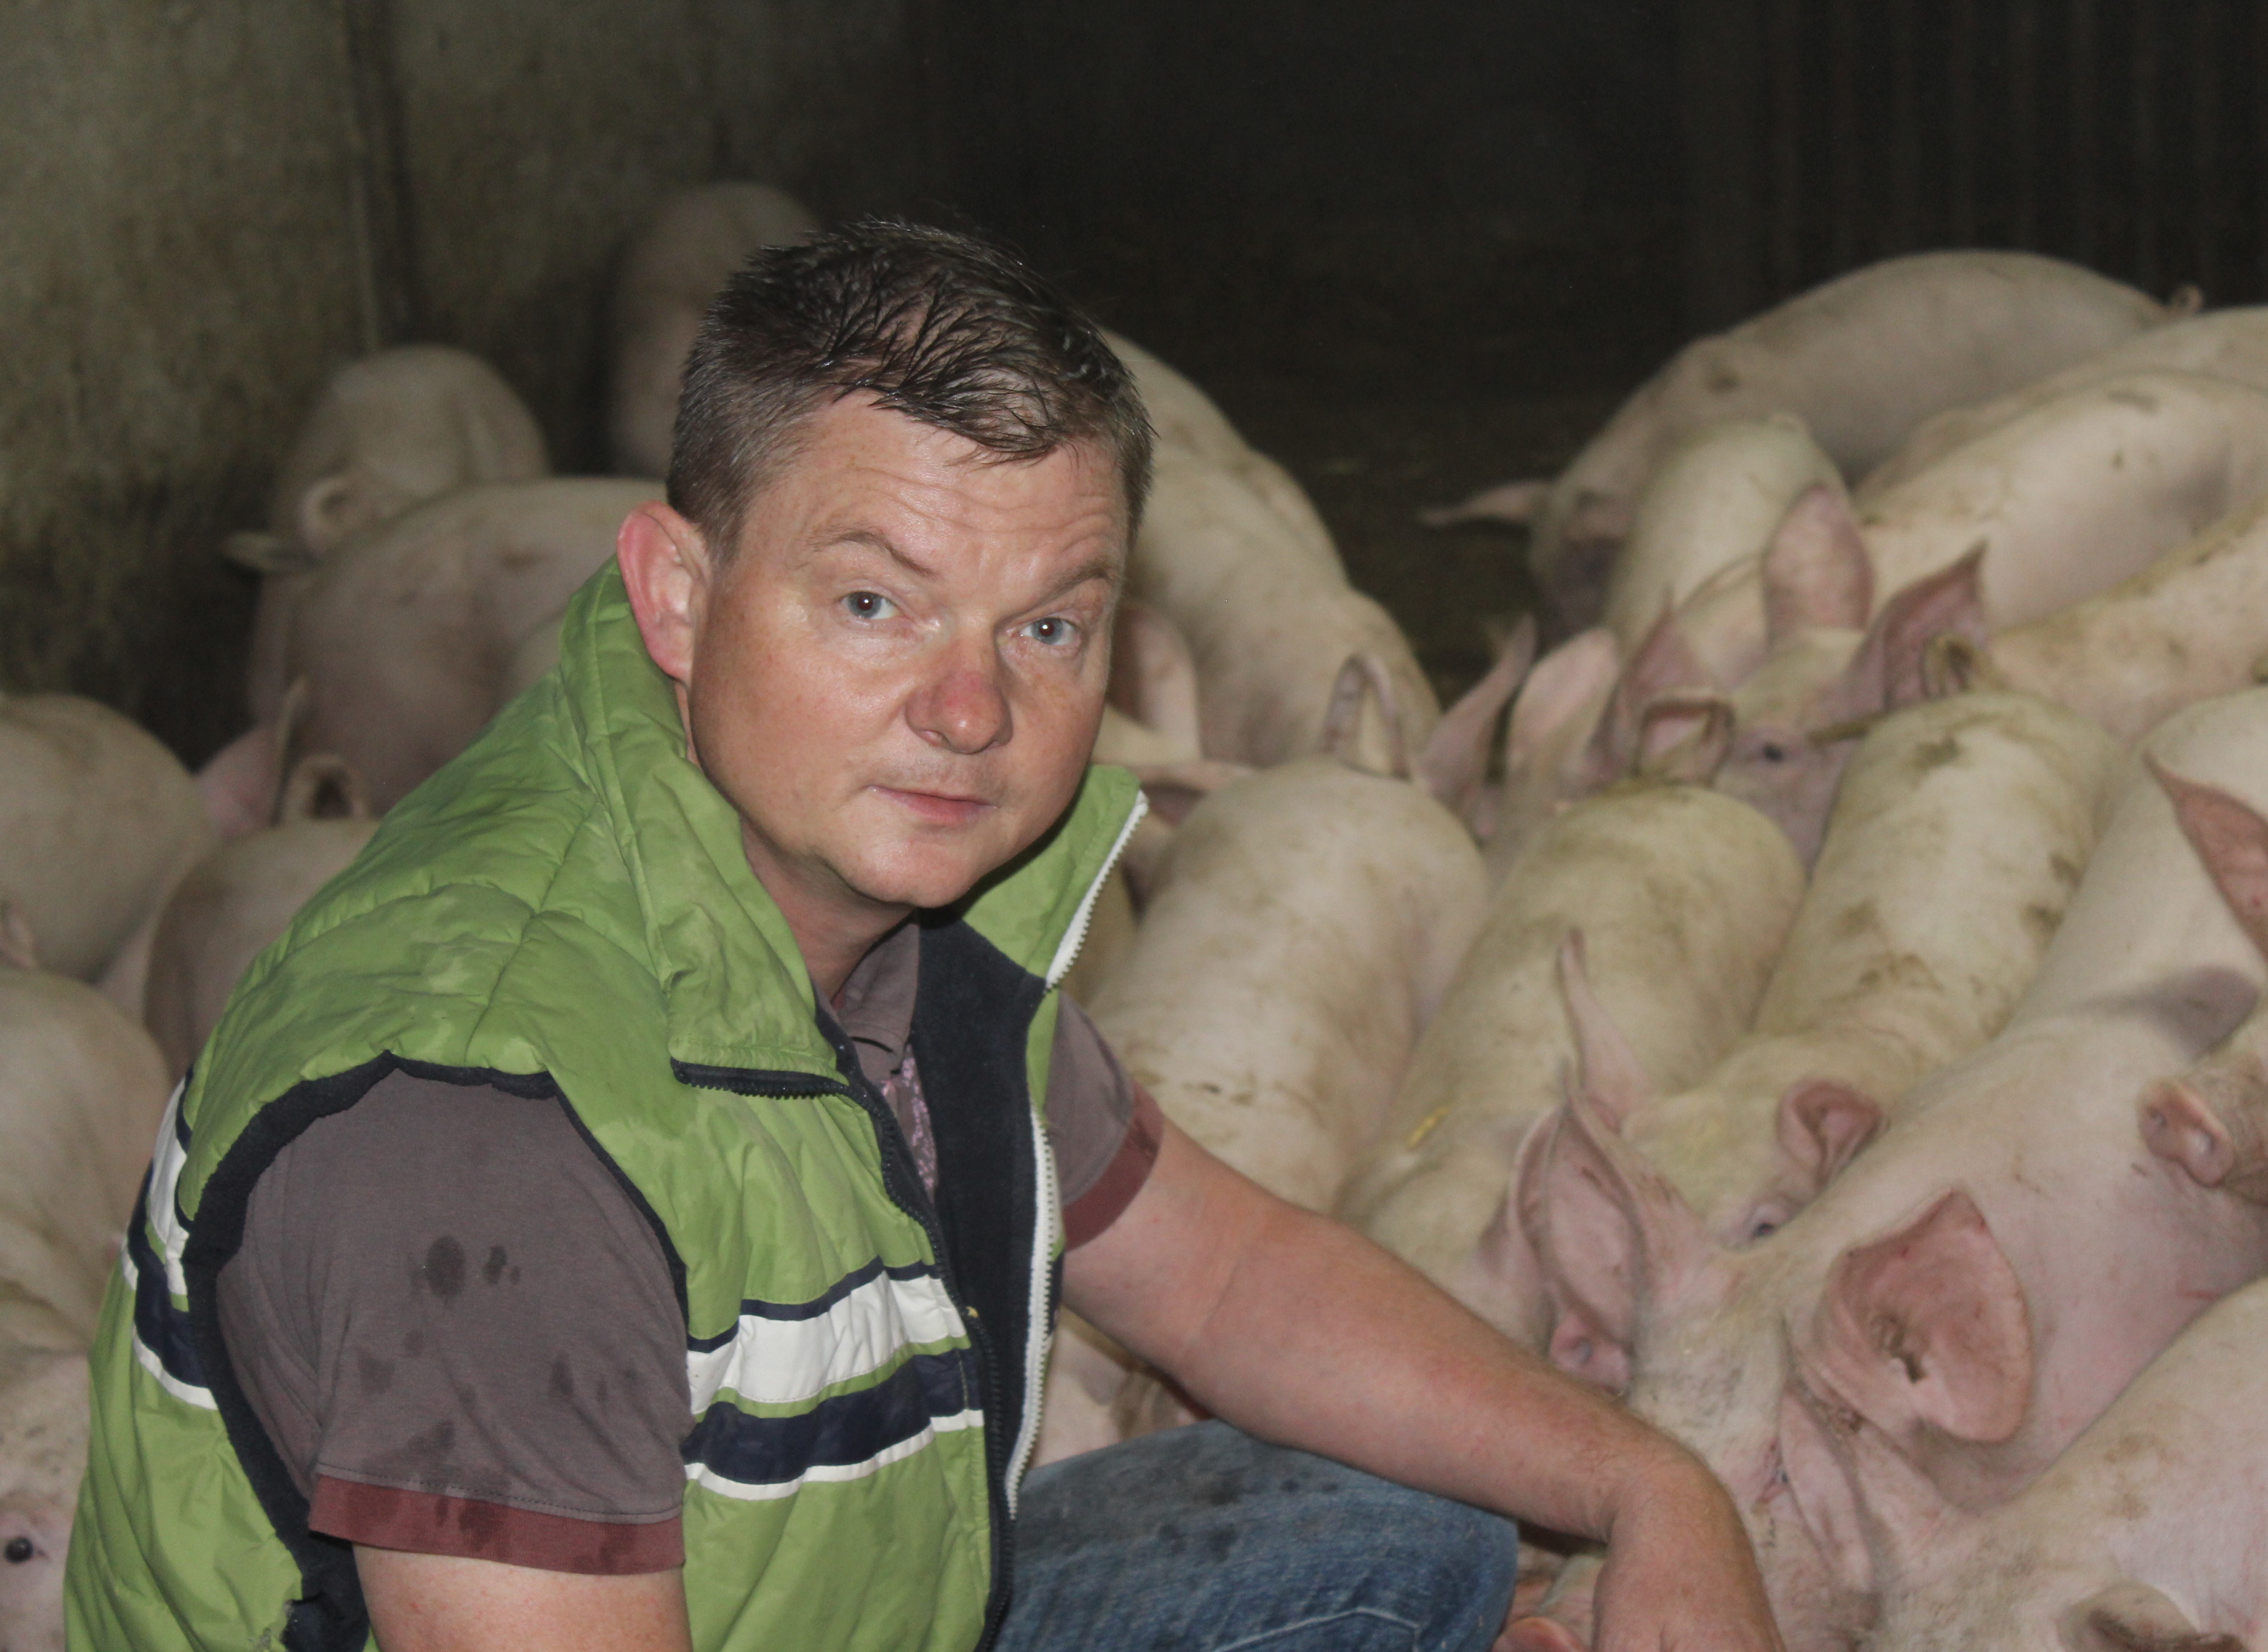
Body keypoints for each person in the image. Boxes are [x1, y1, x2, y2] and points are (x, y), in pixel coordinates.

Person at [68, 222, 1781, 1652]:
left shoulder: (884, 899)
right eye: (874, 601)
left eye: (1048, 626)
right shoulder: (483, 1126)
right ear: (677, 594)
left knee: (1411, 1537)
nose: (970, 712)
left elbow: (1229, 1279)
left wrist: (1655, 1489)